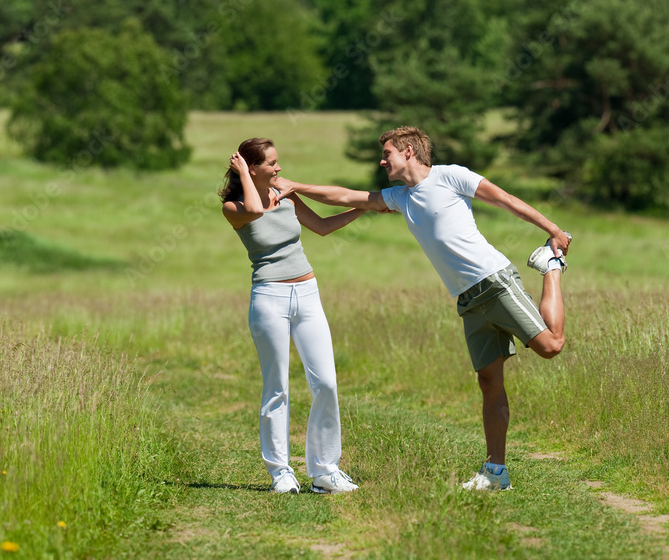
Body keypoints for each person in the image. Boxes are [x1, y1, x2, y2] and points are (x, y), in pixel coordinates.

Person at [272, 125, 571, 492]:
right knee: (489, 381)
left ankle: (550, 268)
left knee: (550, 346)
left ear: (409, 150)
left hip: (495, 282)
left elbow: (506, 200)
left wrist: (553, 229)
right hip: (466, 300)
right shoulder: (401, 197)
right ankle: (496, 473)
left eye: (388, 155)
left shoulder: (452, 176)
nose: (382, 161)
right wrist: (297, 186)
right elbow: (348, 196)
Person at [221, 137, 365, 495]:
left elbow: (323, 227)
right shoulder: (233, 206)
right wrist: (243, 175)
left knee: (327, 382)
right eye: (271, 163)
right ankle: (280, 473)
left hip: (308, 294)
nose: (279, 169)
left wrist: (365, 209)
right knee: (277, 388)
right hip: (269, 298)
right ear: (251, 167)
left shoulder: (285, 193)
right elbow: (255, 212)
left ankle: (325, 471)